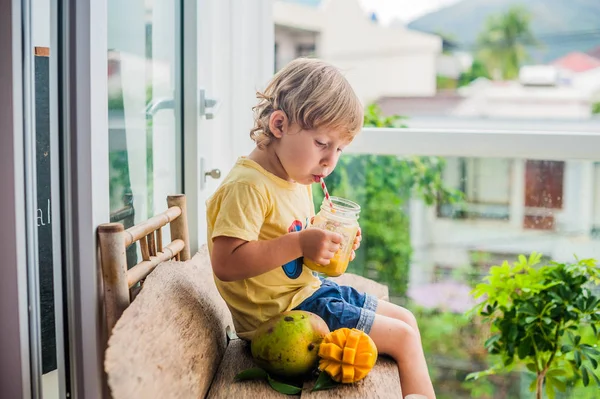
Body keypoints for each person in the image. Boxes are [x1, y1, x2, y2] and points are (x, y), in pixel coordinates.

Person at [206, 58, 435, 398]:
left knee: (407, 321)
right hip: (282, 321)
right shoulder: (249, 186)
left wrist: (328, 244)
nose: (330, 161)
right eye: (322, 144)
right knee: (402, 339)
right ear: (279, 125)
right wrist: (300, 243)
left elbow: (290, 248)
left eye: (339, 149)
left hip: (307, 292)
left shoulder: (294, 175)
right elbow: (226, 262)